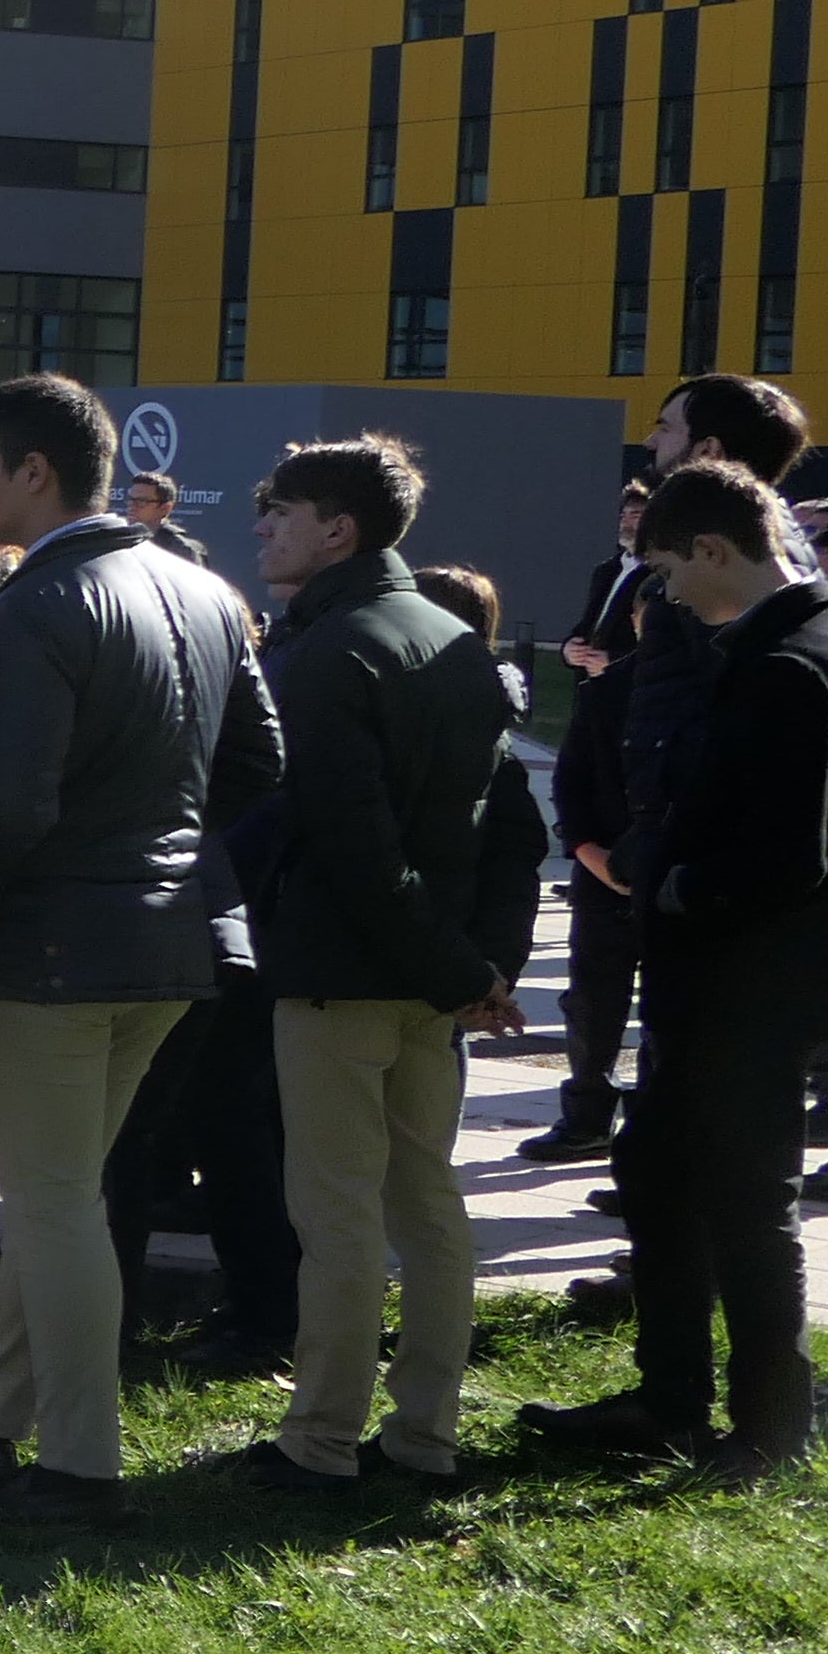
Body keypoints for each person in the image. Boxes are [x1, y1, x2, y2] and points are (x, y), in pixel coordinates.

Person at [0, 374, 285, 1527]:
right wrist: (150, 838)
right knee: (57, 1193)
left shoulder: (35, 603)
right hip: (163, 943)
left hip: (52, 950)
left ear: (36, 471)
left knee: (57, 1200)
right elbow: (259, 763)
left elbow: (8, 806)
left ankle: (79, 1464)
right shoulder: (207, 586)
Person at [520, 458, 828, 1477]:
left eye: (668, 566)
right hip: (784, 974)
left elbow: (787, 857)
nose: (664, 593)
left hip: (748, 982)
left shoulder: (785, 665)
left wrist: (673, 890)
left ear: (715, 549)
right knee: (660, 1175)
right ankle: (673, 1399)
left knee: (747, 1205)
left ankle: (766, 1426)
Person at [236, 435, 536, 1496]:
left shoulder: (330, 651)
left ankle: (319, 1442)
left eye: (283, 510)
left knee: (340, 1217)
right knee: (426, 1206)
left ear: (340, 529)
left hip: (344, 974)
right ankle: (424, 1437)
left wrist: (466, 969)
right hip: (430, 981)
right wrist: (481, 965)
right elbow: (515, 834)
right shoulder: (448, 635)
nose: (262, 526)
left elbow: (353, 850)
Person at [527, 483, 657, 1158]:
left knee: (667, 1009)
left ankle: (651, 1131)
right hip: (601, 863)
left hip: (669, 874)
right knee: (592, 997)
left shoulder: (715, 694)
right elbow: (572, 786)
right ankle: (585, 1113)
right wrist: (588, 852)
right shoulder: (605, 697)